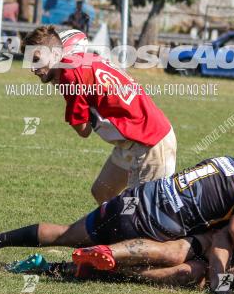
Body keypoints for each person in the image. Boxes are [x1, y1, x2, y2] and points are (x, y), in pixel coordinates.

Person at [0, 132, 234, 264]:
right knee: (178, 257)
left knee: (65, 234)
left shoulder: (221, 160)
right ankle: (93, 258)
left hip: (130, 201)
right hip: (152, 225)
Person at [5, 207, 234, 294]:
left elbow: (222, 287)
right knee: (175, 254)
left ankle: (105, 266)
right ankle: (106, 255)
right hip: (202, 236)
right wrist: (226, 271)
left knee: (189, 272)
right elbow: (226, 235)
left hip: (209, 269)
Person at [22, 25, 177, 203]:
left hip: (150, 142)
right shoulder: (86, 62)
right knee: (103, 192)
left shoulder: (70, 73)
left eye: (36, 59)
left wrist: (66, 89)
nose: (33, 69)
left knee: (142, 214)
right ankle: (113, 230)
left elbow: (83, 130)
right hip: (132, 141)